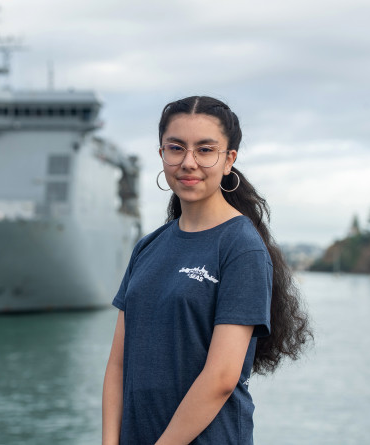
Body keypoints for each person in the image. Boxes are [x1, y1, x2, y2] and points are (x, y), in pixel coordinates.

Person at [102, 96, 311, 444]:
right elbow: (118, 366)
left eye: (205, 150)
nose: (188, 162)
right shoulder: (148, 247)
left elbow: (221, 378)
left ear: (229, 160)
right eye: (176, 148)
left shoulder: (240, 246)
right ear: (161, 155)